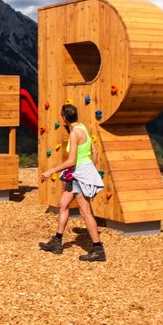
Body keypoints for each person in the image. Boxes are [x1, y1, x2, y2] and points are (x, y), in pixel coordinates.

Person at [38, 103, 106, 261]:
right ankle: (57, 241)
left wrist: (51, 171)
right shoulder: (82, 127)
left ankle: (98, 249)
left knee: (85, 211)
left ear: (64, 117)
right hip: (77, 173)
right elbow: (94, 151)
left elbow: (71, 161)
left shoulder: (75, 133)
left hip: (79, 173)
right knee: (63, 204)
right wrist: (92, 168)